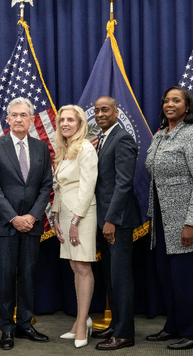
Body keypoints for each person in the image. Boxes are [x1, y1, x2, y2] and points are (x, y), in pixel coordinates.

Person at [0, 97, 53, 350]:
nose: (19, 119)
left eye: (24, 115)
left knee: (28, 275)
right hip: (4, 225)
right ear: (8, 119)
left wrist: (33, 216)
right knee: (4, 277)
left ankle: (25, 324)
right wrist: (14, 218)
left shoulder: (41, 148)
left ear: (32, 119)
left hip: (32, 224)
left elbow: (47, 185)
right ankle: (7, 328)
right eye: (14, 115)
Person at [145, 86, 193, 350]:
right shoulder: (161, 135)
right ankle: (173, 326)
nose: (169, 104)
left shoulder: (191, 134)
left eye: (176, 100)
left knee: (184, 279)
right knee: (167, 276)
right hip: (161, 220)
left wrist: (191, 223)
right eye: (166, 100)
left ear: (187, 106)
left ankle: (189, 330)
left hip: (184, 220)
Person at [91, 96, 140, 351]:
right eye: (97, 110)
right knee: (111, 278)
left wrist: (110, 220)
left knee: (121, 278)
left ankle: (125, 334)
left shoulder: (122, 139)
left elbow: (123, 184)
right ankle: (117, 324)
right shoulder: (103, 138)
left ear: (116, 112)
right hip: (104, 220)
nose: (100, 114)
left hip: (116, 221)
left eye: (105, 110)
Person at [52, 105, 98, 348]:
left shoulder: (86, 148)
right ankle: (83, 319)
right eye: (62, 120)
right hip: (66, 214)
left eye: (71, 120)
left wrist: (75, 221)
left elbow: (87, 187)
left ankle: (81, 324)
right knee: (74, 266)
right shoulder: (65, 149)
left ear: (81, 124)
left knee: (82, 266)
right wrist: (57, 215)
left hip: (82, 213)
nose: (65, 124)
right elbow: (60, 186)